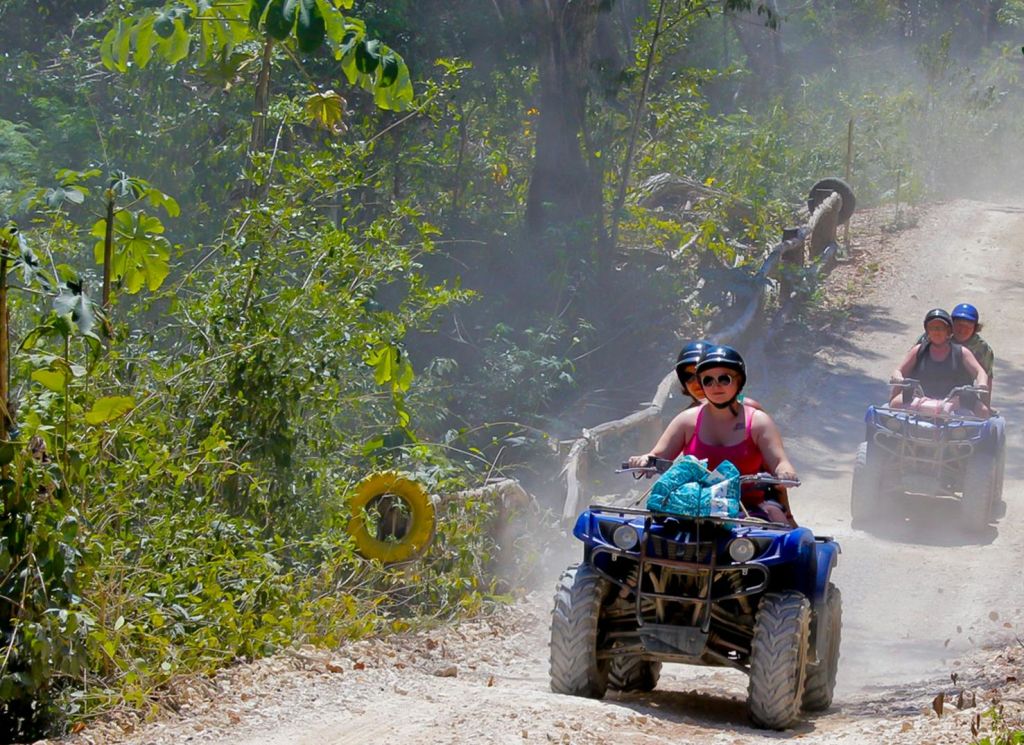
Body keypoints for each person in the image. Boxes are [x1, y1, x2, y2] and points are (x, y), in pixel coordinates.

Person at [633, 345, 798, 525]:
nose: (715, 386)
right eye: (708, 381)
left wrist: (785, 473)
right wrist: (644, 460)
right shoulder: (686, 420)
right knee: (643, 533)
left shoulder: (758, 421)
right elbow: (658, 454)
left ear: (739, 381)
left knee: (781, 537)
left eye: (724, 379)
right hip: (691, 507)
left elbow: (779, 461)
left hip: (747, 508)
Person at [891, 308, 989, 415]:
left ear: (948, 331)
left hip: (957, 400)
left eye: (941, 328)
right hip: (920, 397)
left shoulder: (962, 352)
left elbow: (980, 372)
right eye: (932, 328)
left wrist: (982, 383)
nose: (936, 332)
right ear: (927, 331)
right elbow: (899, 370)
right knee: (894, 404)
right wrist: (898, 378)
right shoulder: (918, 350)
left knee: (983, 411)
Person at [675, 339, 762, 410]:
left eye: (706, 377)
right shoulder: (684, 420)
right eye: (689, 377)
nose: (697, 383)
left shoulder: (748, 407)